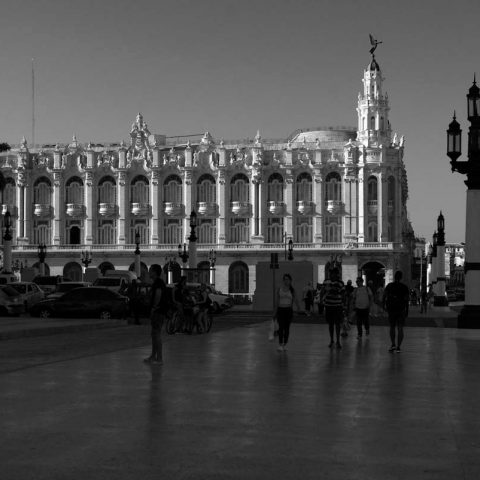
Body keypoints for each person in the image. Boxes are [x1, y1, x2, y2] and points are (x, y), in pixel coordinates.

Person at [144, 264, 168, 365]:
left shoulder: (158, 283)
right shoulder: (157, 283)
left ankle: (159, 358)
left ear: (154, 272)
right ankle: (153, 356)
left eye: (150, 270)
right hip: (158, 311)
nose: (148, 272)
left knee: (157, 334)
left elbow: (158, 294)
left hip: (158, 311)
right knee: (154, 334)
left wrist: (154, 307)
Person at [383, 271, 410, 353]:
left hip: (391, 309)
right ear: (401, 277)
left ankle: (393, 344)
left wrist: (384, 306)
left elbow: (384, 296)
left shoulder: (389, 286)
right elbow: (407, 300)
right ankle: (398, 347)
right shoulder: (404, 287)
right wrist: (407, 311)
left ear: (394, 277)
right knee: (400, 328)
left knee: (392, 327)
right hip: (401, 309)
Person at [274, 274, 302, 352]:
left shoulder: (292, 290)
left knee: (286, 328)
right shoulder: (279, 289)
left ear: (290, 281)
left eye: (288, 279)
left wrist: (298, 307)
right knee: (281, 328)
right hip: (280, 310)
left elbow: (296, 299)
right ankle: (280, 344)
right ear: (283, 280)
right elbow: (277, 301)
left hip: (288, 311)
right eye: (285, 279)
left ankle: (284, 344)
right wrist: (275, 312)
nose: (286, 281)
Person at [322, 267, 346, 349]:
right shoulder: (326, 282)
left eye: (333, 274)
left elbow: (343, 294)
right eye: (331, 274)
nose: (332, 275)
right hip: (328, 306)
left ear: (337, 274)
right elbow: (323, 291)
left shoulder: (340, 283)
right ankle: (332, 340)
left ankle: (338, 341)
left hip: (337, 306)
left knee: (338, 324)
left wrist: (344, 304)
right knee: (330, 324)